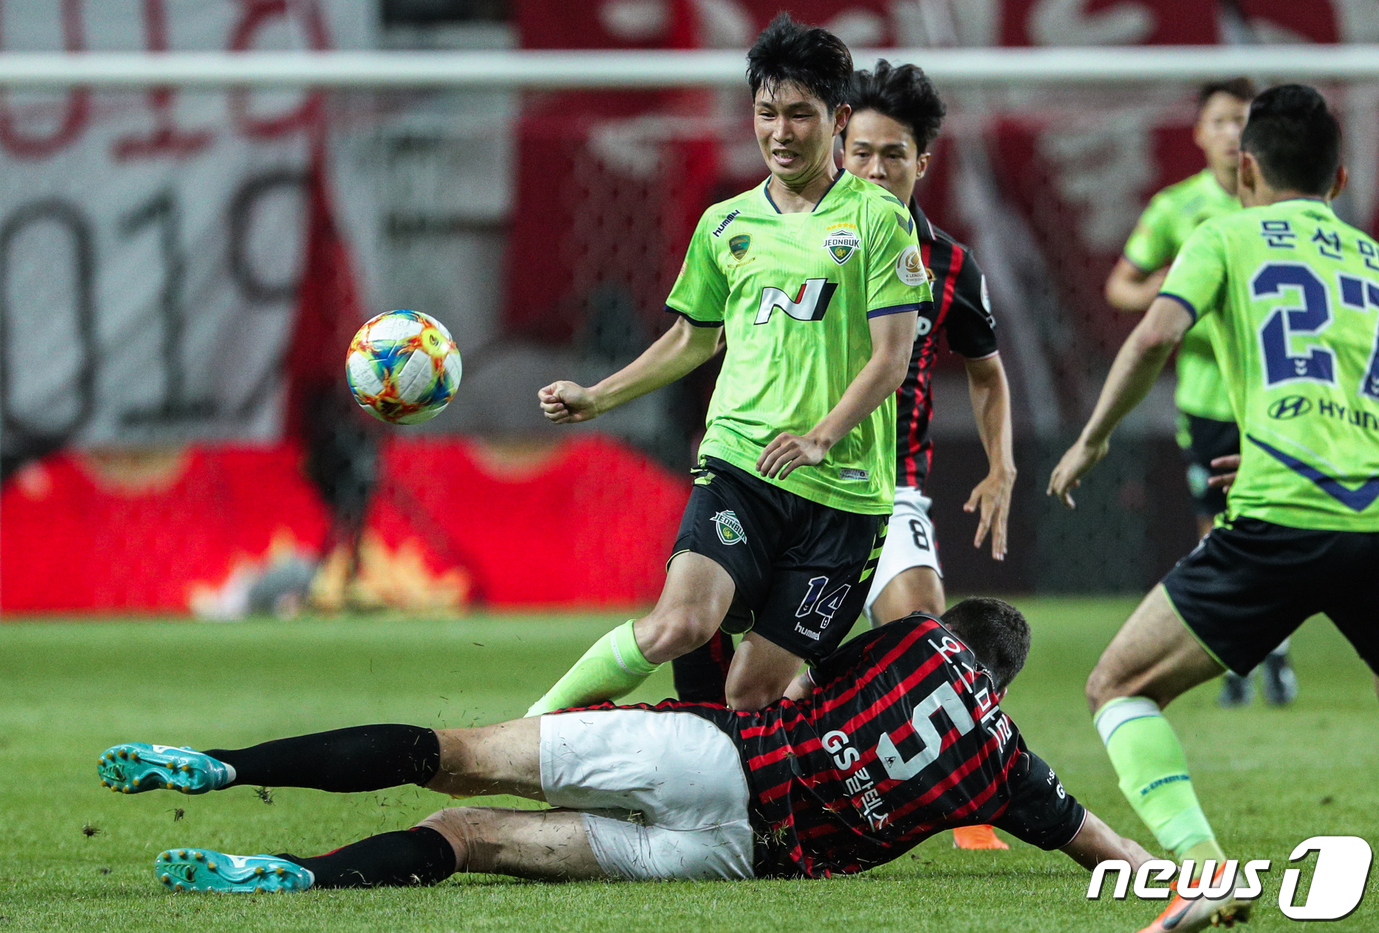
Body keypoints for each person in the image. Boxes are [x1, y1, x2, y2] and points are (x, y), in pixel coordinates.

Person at [96, 597, 1153, 894]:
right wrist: (1180, 879)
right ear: (1001, 681)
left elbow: (785, 655)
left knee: (447, 754)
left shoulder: (916, 640)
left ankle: (228, 765)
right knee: (468, 839)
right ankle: (294, 877)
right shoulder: (1008, 765)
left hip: (712, 759)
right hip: (730, 860)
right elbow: (1098, 844)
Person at [528, 14, 928, 715]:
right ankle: (530, 731)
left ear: (837, 120)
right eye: (766, 112)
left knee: (751, 691)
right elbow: (691, 339)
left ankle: (754, 810)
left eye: (799, 114)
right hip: (741, 463)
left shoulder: (878, 220)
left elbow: (893, 360)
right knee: (680, 622)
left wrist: (821, 437)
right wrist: (597, 397)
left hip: (846, 494)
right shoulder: (725, 225)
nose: (779, 132)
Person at [1049, 84, 1379, 933]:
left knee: (1118, 686)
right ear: (1340, 179)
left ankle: (1201, 871)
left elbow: (1156, 332)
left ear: (1245, 169)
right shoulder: (1373, 262)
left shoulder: (1221, 234)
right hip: (1368, 520)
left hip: (1274, 522)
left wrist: (1090, 439)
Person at [669, 58, 1018, 851]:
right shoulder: (788, 229)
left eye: (893, 154)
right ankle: (745, 762)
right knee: (707, 638)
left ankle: (963, 791)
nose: (874, 167)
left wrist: (1001, 466)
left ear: (922, 162)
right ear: (840, 144)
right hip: (779, 474)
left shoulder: (947, 263)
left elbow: (989, 374)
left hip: (884, 485)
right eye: (861, 152)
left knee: (925, 629)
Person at [1104, 78, 1296, 708]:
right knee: (1217, 529)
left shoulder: (1280, 206)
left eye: (1243, 119)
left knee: (1278, 521)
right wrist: (1166, 294)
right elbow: (1121, 288)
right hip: (1210, 398)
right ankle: (1238, 655)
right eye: (1221, 119)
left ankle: (1275, 651)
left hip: (1278, 397)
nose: (1232, 131)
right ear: (1199, 131)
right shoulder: (1175, 208)